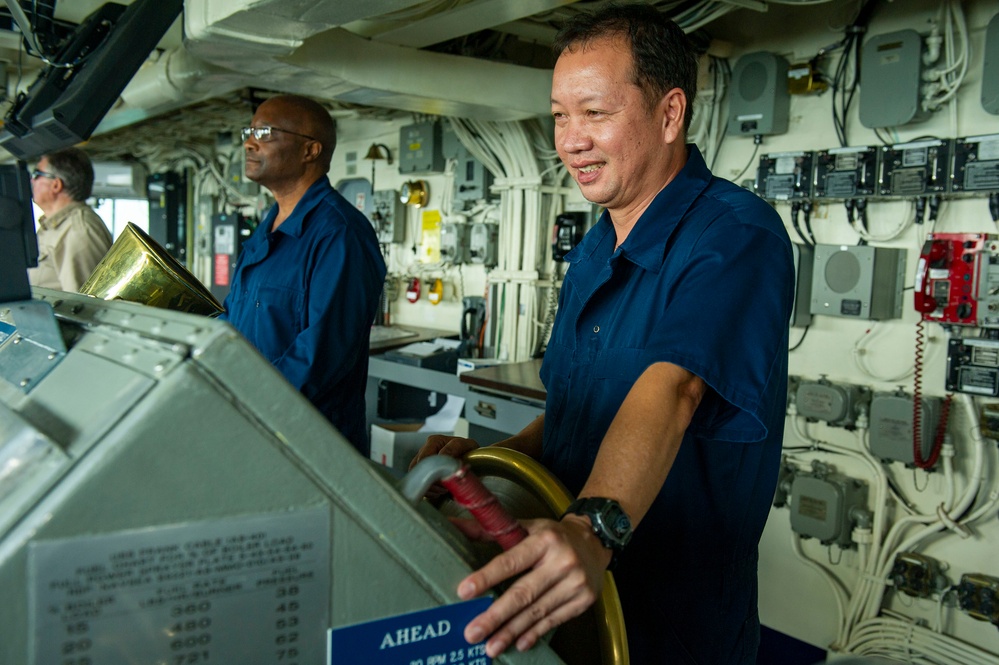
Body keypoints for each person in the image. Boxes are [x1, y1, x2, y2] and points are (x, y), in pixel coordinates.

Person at [411, 5, 794, 663]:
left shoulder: (734, 236)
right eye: (560, 116)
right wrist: (481, 463)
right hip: (564, 606)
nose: (570, 140)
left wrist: (589, 531)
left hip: (669, 625)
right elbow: (572, 422)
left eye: (595, 113)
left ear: (669, 114)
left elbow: (670, 390)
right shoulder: (593, 250)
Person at [220, 94, 386, 456]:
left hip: (307, 444)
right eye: (249, 130)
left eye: (265, 132)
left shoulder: (340, 234)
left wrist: (244, 402)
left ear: (310, 150)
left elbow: (319, 358)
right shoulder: (267, 230)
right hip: (251, 429)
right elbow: (235, 322)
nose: (249, 141)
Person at [27, 147, 113, 292]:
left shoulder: (79, 230)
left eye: (37, 174)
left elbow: (82, 306)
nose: (32, 180)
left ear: (56, 185)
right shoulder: (55, 226)